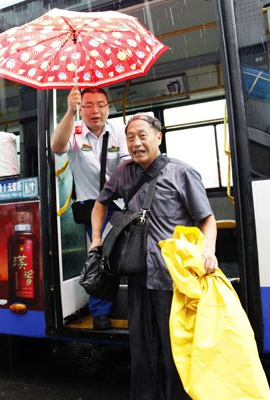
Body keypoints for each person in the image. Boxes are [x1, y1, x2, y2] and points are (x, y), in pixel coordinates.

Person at [90, 114, 218, 399]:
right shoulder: (123, 172)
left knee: (177, 350)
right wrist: (96, 239)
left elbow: (207, 219)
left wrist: (208, 251)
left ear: (158, 137)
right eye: (130, 137)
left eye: (142, 135)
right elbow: (100, 204)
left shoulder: (182, 172)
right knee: (141, 351)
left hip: (173, 279)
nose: (136, 143)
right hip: (138, 275)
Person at [51, 86, 130, 330]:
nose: (95, 110)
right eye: (88, 105)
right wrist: (69, 111)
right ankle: (101, 313)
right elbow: (57, 147)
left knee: (131, 254)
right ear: (81, 108)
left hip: (122, 203)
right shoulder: (73, 130)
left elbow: (128, 165)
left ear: (108, 107)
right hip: (93, 208)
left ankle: (138, 305)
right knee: (102, 257)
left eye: (100, 104)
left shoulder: (118, 130)